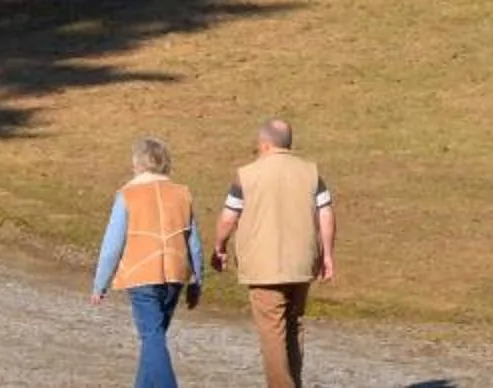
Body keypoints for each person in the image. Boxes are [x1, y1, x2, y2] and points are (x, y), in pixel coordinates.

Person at [210, 116, 336, 388]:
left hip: (263, 266)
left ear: (264, 145)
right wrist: (327, 256)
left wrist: (219, 247)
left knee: (272, 334)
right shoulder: (311, 173)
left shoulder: (247, 175)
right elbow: (326, 214)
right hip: (302, 264)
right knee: (294, 327)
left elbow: (229, 218)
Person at [91, 136, 201, 388]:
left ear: (137, 163)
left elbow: (112, 244)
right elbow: (193, 242)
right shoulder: (181, 193)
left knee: (152, 338)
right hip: (175, 273)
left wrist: (100, 284)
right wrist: (197, 280)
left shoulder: (128, 194)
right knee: (154, 339)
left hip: (141, 274)